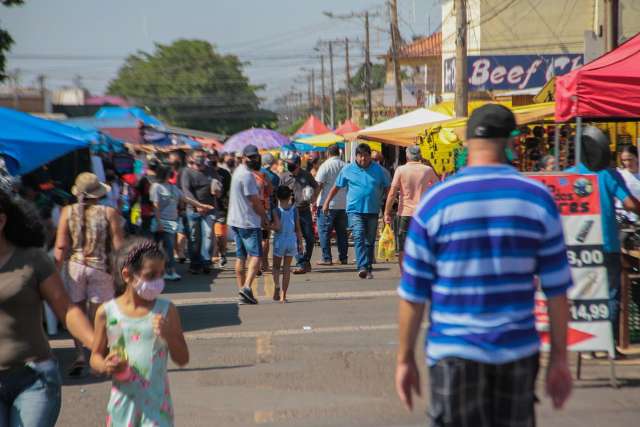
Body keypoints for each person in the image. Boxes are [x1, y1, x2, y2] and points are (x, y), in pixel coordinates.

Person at [396, 104, 574, 426]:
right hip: (516, 352)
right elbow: (558, 291)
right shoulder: (537, 198)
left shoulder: (435, 203)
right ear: (512, 144)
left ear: (465, 144)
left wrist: (405, 359)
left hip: (453, 352)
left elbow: (413, 294)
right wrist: (560, 359)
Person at [0, 180, 94, 427]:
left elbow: (66, 309)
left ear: (1, 221)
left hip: (34, 378)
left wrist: (97, 345)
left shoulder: (33, 260)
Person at [90, 238, 188, 427]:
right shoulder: (107, 312)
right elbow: (95, 356)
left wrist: (169, 335)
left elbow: (182, 358)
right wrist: (105, 366)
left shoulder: (167, 310)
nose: (158, 282)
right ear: (127, 275)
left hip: (158, 411)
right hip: (122, 410)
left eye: (161, 274)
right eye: (150, 275)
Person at [566, 127, 640, 354]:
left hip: (577, 245)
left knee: (585, 295)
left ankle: (586, 345)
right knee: (610, 294)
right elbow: (629, 204)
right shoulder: (608, 174)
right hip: (607, 242)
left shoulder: (569, 174)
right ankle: (608, 345)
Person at [55, 172, 125, 376]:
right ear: (98, 193)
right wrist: (122, 273)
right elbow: (119, 246)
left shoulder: (67, 212)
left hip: (75, 266)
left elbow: (61, 245)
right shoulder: (109, 212)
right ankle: (99, 352)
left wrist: (54, 272)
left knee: (76, 312)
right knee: (100, 313)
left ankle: (79, 354)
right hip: (100, 267)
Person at [323, 143, 390, 279]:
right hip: (354, 211)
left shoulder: (379, 170)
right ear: (356, 156)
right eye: (360, 156)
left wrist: (386, 204)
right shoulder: (348, 169)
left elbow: (388, 187)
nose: (363, 159)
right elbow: (336, 187)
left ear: (370, 156)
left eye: (366, 156)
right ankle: (362, 267)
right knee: (359, 236)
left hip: (372, 210)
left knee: (370, 241)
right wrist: (326, 203)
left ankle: (368, 267)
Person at [151, 164, 214, 281]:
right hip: (161, 222)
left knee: (165, 248)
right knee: (165, 248)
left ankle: (165, 271)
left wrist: (201, 205)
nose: (172, 174)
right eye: (170, 172)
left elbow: (186, 199)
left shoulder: (172, 187)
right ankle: (168, 271)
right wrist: (159, 222)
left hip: (171, 222)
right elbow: (156, 206)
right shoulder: (156, 187)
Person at [383, 145, 438, 269]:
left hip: (405, 213)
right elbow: (438, 187)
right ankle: (421, 270)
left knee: (403, 246)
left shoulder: (401, 170)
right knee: (422, 243)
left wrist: (387, 212)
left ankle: (405, 274)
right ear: (420, 155)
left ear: (407, 155)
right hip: (423, 213)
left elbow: (392, 193)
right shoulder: (427, 170)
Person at [227, 144, 268, 305]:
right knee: (256, 255)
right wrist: (264, 217)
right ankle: (246, 288)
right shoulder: (247, 176)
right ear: (243, 158)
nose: (254, 159)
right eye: (250, 157)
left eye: (256, 156)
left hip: (236, 220)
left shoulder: (238, 171)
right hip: (248, 221)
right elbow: (255, 202)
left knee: (241, 257)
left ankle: (242, 291)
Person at [279, 154, 319, 275]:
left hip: (304, 210)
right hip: (290, 212)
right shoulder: (284, 177)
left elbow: (316, 187)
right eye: (288, 163)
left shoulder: (306, 175)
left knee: (310, 238)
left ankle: (306, 261)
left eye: (291, 163)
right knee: (295, 239)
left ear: (298, 164)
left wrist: (313, 198)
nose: (289, 165)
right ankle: (301, 263)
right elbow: (279, 193)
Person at [181, 151, 216, 275]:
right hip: (193, 209)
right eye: (197, 156)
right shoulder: (187, 172)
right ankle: (195, 264)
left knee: (208, 235)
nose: (200, 158)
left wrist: (218, 189)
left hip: (210, 209)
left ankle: (206, 261)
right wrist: (198, 205)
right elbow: (186, 191)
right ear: (191, 158)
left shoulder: (211, 170)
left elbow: (218, 186)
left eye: (202, 156)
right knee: (194, 237)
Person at [315, 144, 348, 266]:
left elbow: (319, 185)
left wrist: (313, 199)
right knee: (341, 232)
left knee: (324, 232)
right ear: (339, 153)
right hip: (343, 204)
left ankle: (326, 258)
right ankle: (343, 257)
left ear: (328, 153)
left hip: (327, 204)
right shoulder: (346, 166)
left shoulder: (325, 165)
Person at [271, 185, 303, 303]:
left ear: (277, 197)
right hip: (292, 240)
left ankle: (277, 286)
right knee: (286, 268)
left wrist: (268, 226)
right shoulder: (294, 209)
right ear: (290, 196)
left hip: (280, 241)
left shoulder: (276, 210)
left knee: (275, 267)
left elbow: (277, 227)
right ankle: (283, 296)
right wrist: (300, 243)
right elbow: (298, 228)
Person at [207, 150, 232, 268]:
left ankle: (222, 254)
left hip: (221, 208)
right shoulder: (204, 173)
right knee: (209, 234)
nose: (212, 159)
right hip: (207, 208)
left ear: (217, 158)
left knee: (220, 235)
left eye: (214, 156)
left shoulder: (225, 173)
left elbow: (229, 192)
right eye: (210, 157)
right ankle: (210, 257)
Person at [261, 153, 281, 270]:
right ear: (272, 163)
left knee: (255, 237)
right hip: (268, 210)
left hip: (254, 210)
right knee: (265, 238)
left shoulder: (253, 173)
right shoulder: (275, 178)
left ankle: (256, 264)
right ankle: (264, 263)